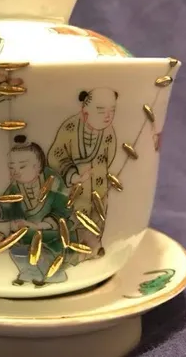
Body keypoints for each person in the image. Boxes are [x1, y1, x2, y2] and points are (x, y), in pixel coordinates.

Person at [0, 135, 76, 287]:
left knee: (46, 253)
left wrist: (39, 226)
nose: (15, 172)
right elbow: (4, 206)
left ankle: (53, 275)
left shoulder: (53, 182)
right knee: (16, 248)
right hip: (26, 233)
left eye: (22, 166)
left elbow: (63, 210)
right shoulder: (15, 187)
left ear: (38, 166)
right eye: (11, 167)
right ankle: (29, 272)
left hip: (52, 234)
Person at [47, 88, 118, 258]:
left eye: (112, 111)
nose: (108, 116)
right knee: (73, 221)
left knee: (97, 217)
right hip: (74, 188)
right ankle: (72, 255)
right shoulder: (70, 127)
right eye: (101, 111)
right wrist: (72, 175)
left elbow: (110, 156)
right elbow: (56, 155)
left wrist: (100, 173)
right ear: (85, 112)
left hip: (99, 187)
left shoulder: (109, 132)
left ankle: (92, 251)